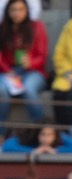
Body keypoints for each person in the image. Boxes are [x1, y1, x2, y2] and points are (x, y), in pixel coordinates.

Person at [0, 0, 48, 133]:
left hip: (33, 71)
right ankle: (1, 133)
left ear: (27, 11)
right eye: (13, 10)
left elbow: (42, 55)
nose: (17, 13)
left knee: (29, 89)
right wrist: (7, 70)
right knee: (1, 90)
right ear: (7, 12)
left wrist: (31, 63)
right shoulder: (3, 28)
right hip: (7, 71)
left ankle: (39, 130)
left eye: (20, 9)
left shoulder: (37, 27)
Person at [1, 120, 72, 152]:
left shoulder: (60, 141)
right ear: (38, 135)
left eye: (50, 135)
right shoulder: (31, 140)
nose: (46, 138)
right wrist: (34, 151)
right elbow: (7, 146)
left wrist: (56, 151)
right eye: (43, 134)